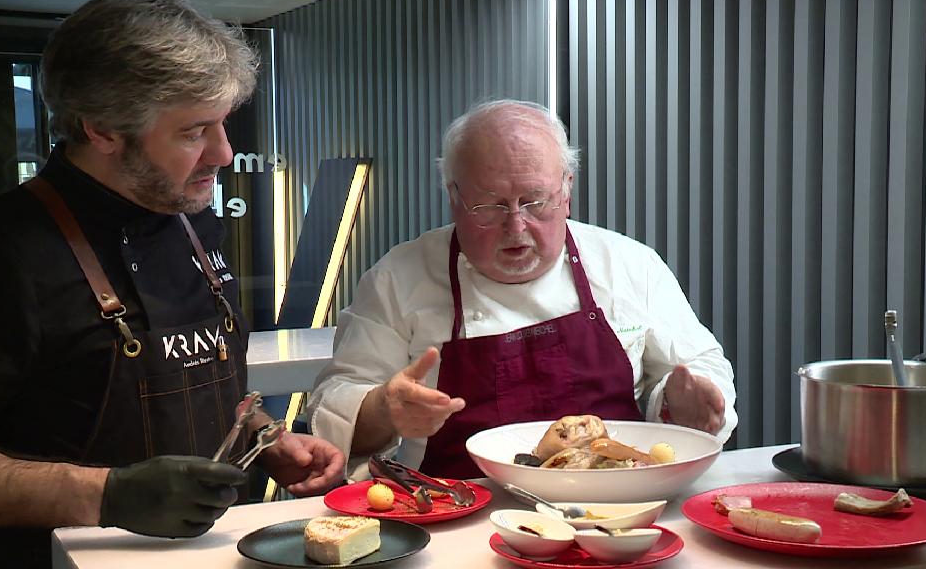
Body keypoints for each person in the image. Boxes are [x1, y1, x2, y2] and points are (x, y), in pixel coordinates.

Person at [0, 0, 344, 567]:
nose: (223, 152)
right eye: (194, 131)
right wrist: (106, 495)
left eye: (222, 123)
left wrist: (266, 436)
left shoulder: (192, 222)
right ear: (102, 129)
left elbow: (201, 382)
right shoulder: (1, 253)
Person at [308, 99, 737, 480]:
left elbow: (697, 371)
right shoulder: (397, 279)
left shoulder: (628, 265)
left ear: (566, 190)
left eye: (535, 201)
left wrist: (685, 403)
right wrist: (385, 407)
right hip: (460, 510)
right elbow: (336, 401)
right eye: (490, 206)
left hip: (615, 505)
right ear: (453, 197)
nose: (517, 227)